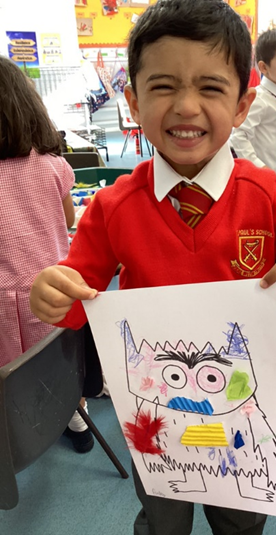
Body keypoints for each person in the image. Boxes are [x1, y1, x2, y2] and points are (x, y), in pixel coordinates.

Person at [29, 1, 276, 533]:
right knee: (162, 521)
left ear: (241, 104)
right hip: (156, 420)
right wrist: (54, 295)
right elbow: (77, 305)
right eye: (163, 86)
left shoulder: (268, 199)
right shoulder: (113, 207)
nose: (186, 106)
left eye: (210, 88)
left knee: (240, 521)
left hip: (238, 416)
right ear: (134, 101)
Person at [0, 55, 93, 454]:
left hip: (5, 304)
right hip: (56, 295)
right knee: (61, 368)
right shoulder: (52, 165)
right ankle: (76, 417)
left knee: (11, 376)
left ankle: (17, 432)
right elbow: (68, 217)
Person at [230, 28, 276, 194]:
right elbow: (238, 136)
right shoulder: (258, 99)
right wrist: (260, 168)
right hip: (263, 180)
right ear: (263, 67)